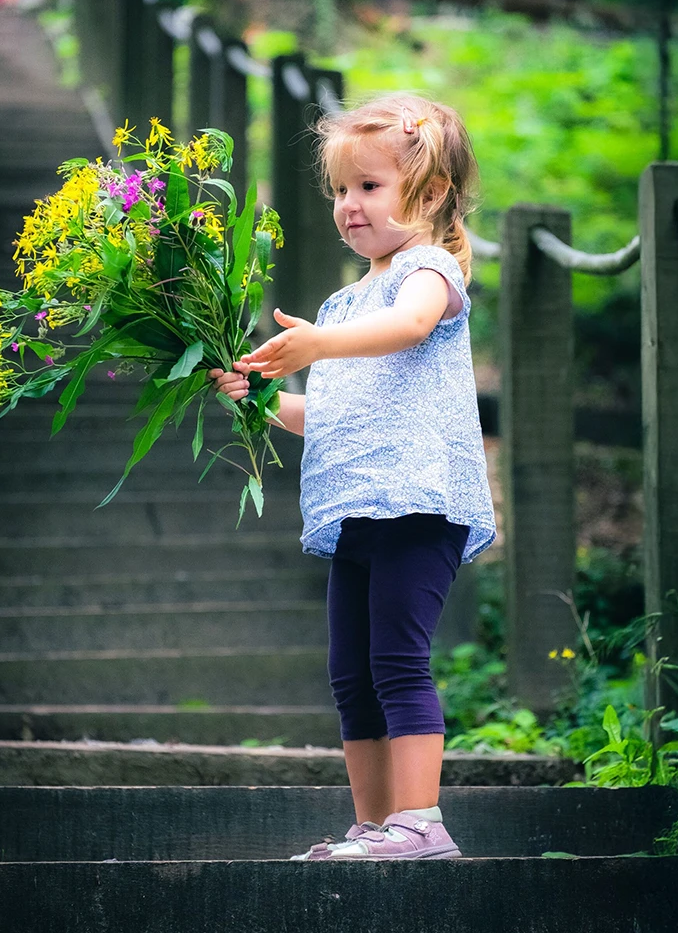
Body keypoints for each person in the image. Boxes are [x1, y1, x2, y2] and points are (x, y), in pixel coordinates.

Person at [209, 93, 496, 860]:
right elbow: (331, 412)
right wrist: (265, 396)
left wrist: (319, 347)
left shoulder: (427, 272)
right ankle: (371, 828)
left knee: (399, 661)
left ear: (430, 194)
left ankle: (421, 823)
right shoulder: (343, 304)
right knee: (352, 676)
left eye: (368, 186)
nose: (348, 205)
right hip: (359, 508)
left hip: (419, 502)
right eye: (340, 189)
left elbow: (408, 328)